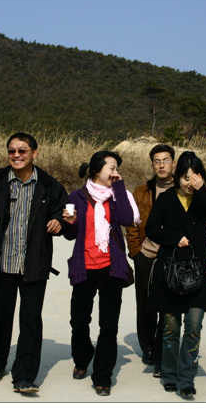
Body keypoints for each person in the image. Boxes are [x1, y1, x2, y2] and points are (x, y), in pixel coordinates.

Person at [0, 132, 69, 393]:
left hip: (33, 264)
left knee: (30, 321)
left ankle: (24, 376)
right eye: (12, 151)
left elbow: (64, 211)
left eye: (22, 151)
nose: (16, 155)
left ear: (34, 154)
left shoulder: (50, 185)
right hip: (1, 263)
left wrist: (59, 221)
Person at [62, 151, 140, 397]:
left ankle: (103, 375)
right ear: (97, 170)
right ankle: (82, 357)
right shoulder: (75, 197)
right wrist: (70, 222)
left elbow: (127, 219)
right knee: (79, 320)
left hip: (111, 268)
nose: (116, 172)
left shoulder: (119, 195)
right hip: (84, 266)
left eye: (117, 168)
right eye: (112, 168)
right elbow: (69, 235)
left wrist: (120, 187)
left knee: (108, 325)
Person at [145, 151, 206, 397]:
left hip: (200, 269)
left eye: (195, 178)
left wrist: (202, 191)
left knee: (194, 325)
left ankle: (187, 378)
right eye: (186, 178)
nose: (190, 183)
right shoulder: (167, 199)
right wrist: (174, 238)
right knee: (170, 327)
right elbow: (151, 229)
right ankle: (169, 375)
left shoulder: (203, 199)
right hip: (171, 270)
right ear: (177, 176)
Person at [125, 144, 175, 377]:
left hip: (172, 257)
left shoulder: (183, 189)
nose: (161, 165)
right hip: (146, 255)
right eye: (157, 161)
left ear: (173, 163)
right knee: (145, 304)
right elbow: (132, 224)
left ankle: (164, 346)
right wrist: (136, 251)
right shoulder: (141, 191)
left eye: (166, 160)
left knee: (168, 305)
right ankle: (148, 346)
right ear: (152, 164)